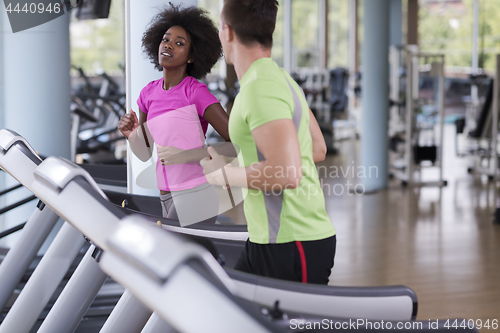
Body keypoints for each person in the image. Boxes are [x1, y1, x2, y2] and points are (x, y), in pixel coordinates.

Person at [201, 0, 336, 284]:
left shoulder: (260, 89)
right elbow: (318, 148)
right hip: (273, 238)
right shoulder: (280, 79)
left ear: (226, 32)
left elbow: (287, 172)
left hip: (292, 241)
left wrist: (225, 175)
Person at [118, 3, 230, 225]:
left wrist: (187, 155)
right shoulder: (148, 93)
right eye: (166, 39)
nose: (168, 45)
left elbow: (236, 142)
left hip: (196, 194)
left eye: (180, 43)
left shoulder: (195, 93)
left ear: (191, 56)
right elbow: (145, 152)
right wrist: (131, 135)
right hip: (166, 195)